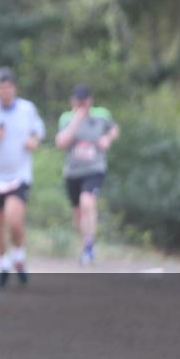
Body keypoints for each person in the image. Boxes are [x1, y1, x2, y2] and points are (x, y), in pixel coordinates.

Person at [0, 68, 45, 288]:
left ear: (14, 88)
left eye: (8, 88)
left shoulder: (27, 109)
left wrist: (34, 140)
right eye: (0, 88)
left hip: (19, 175)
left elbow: (38, 131)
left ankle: (19, 255)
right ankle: (3, 262)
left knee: (14, 218)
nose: (4, 92)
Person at [55, 84, 119, 265]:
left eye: (85, 101)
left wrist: (107, 138)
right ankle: (86, 241)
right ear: (73, 101)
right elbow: (60, 143)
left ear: (91, 100)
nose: (82, 105)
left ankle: (88, 246)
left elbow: (114, 128)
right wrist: (77, 120)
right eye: (78, 101)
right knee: (78, 214)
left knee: (87, 201)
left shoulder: (101, 115)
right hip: (73, 172)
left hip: (95, 169)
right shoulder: (66, 118)